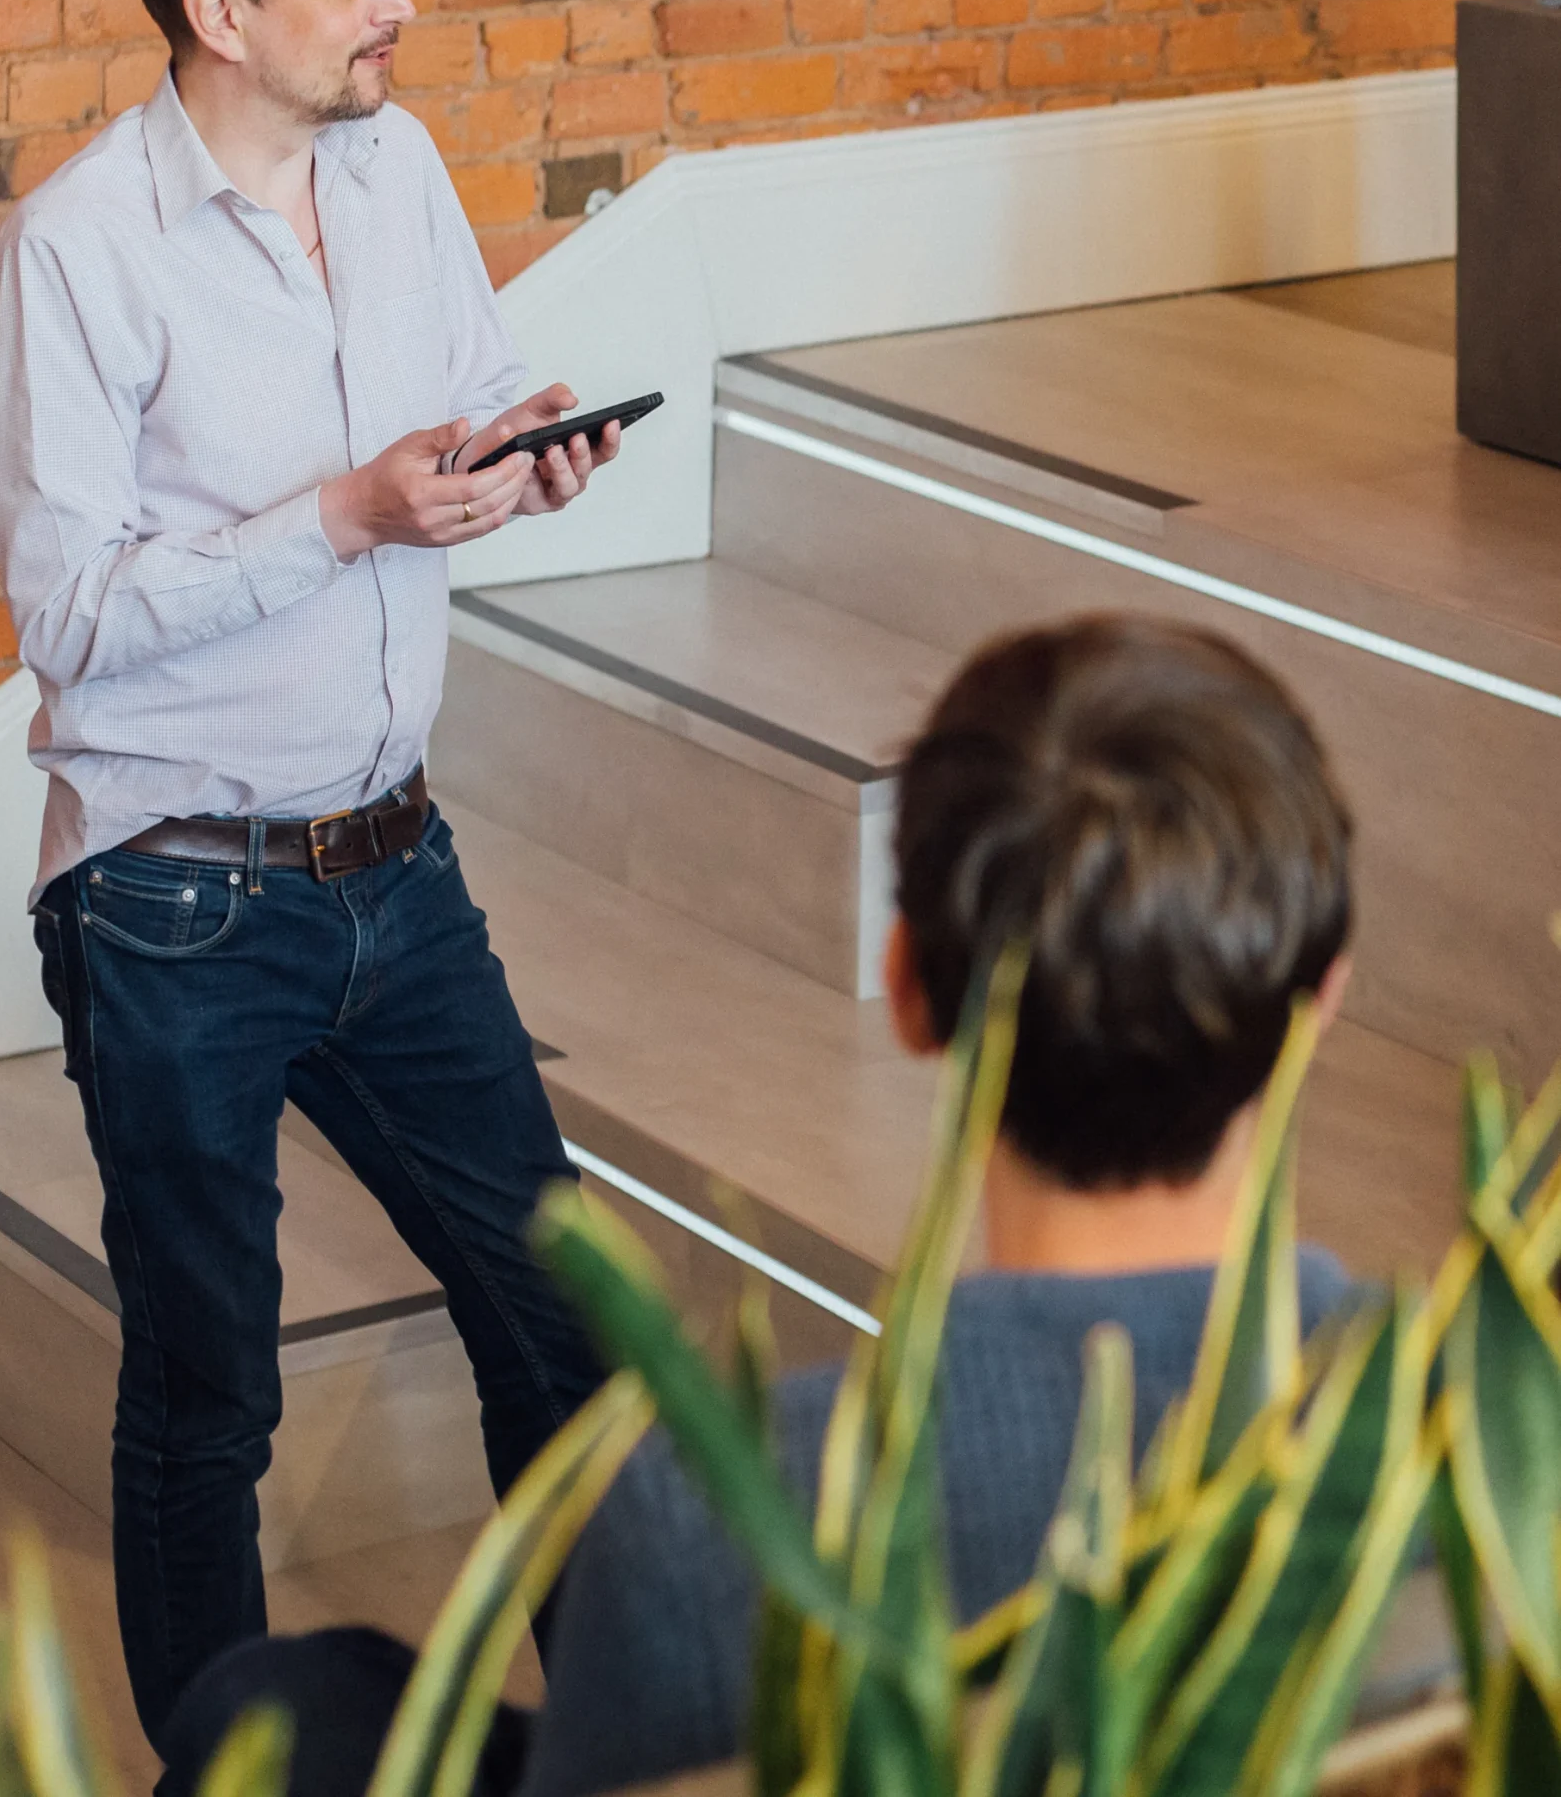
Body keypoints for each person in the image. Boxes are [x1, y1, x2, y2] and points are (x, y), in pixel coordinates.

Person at [158, 613, 1358, 1797]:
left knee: (279, 1712)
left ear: (907, 987)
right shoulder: (1429, 1422)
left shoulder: (718, 1519)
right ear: (1328, 994)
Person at [0, 0, 617, 1754]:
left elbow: (465, 400)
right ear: (220, 13)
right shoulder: (78, 250)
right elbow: (70, 611)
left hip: (399, 868)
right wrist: (342, 514)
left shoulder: (397, 165)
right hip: (175, 900)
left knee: (561, 1320)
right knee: (208, 1397)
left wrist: (519, 454)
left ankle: (630, 1738)